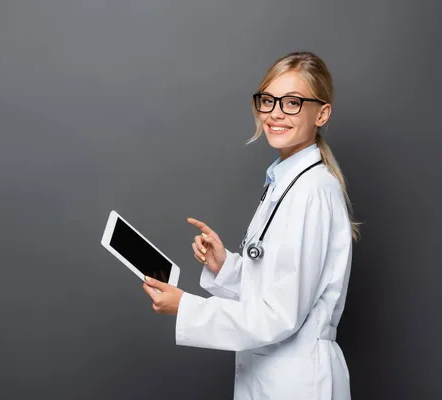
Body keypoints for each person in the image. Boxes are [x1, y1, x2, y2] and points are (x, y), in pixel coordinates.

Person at [142, 51, 359, 400]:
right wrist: (225, 266)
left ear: (322, 113)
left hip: (299, 382)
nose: (275, 113)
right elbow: (279, 286)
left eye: (292, 102)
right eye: (268, 100)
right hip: (273, 377)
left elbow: (279, 316)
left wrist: (187, 307)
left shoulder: (313, 192)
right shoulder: (284, 181)